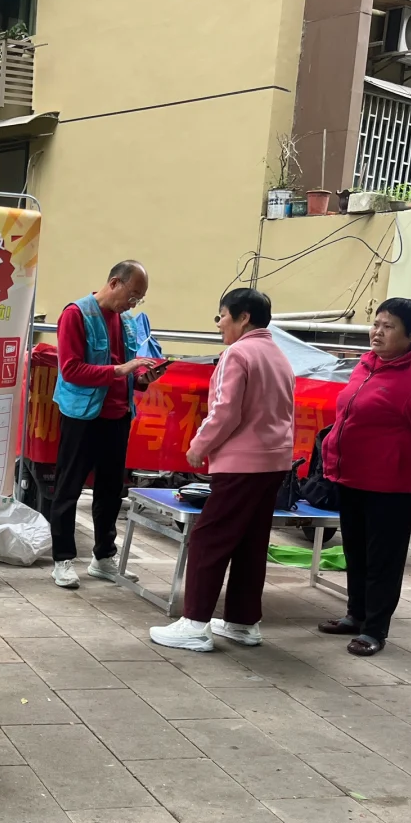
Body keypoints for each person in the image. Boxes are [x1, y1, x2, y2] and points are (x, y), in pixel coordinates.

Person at [149, 288, 294, 652]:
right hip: (274, 462)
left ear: (243, 317)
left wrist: (199, 445)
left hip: (242, 463)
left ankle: (194, 623)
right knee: (250, 543)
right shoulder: (278, 355)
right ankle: (243, 623)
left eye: (222, 316)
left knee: (209, 539)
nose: (218, 324)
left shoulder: (238, 353)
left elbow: (226, 411)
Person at [317, 297, 411, 656]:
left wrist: (401, 463)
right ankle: (356, 615)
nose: (377, 332)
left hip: (391, 486)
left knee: (383, 560)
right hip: (352, 478)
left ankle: (375, 630)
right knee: (356, 553)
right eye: (376, 324)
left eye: (388, 326)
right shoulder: (367, 365)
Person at [49, 261, 158, 589]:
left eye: (140, 299)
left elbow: (129, 373)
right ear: (114, 282)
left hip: (118, 415)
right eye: (133, 295)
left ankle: (103, 557)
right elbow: (71, 370)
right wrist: (121, 371)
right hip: (82, 416)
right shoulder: (76, 314)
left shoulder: (126, 321)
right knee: (69, 488)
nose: (134, 304)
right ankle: (63, 560)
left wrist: (143, 377)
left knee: (111, 491)